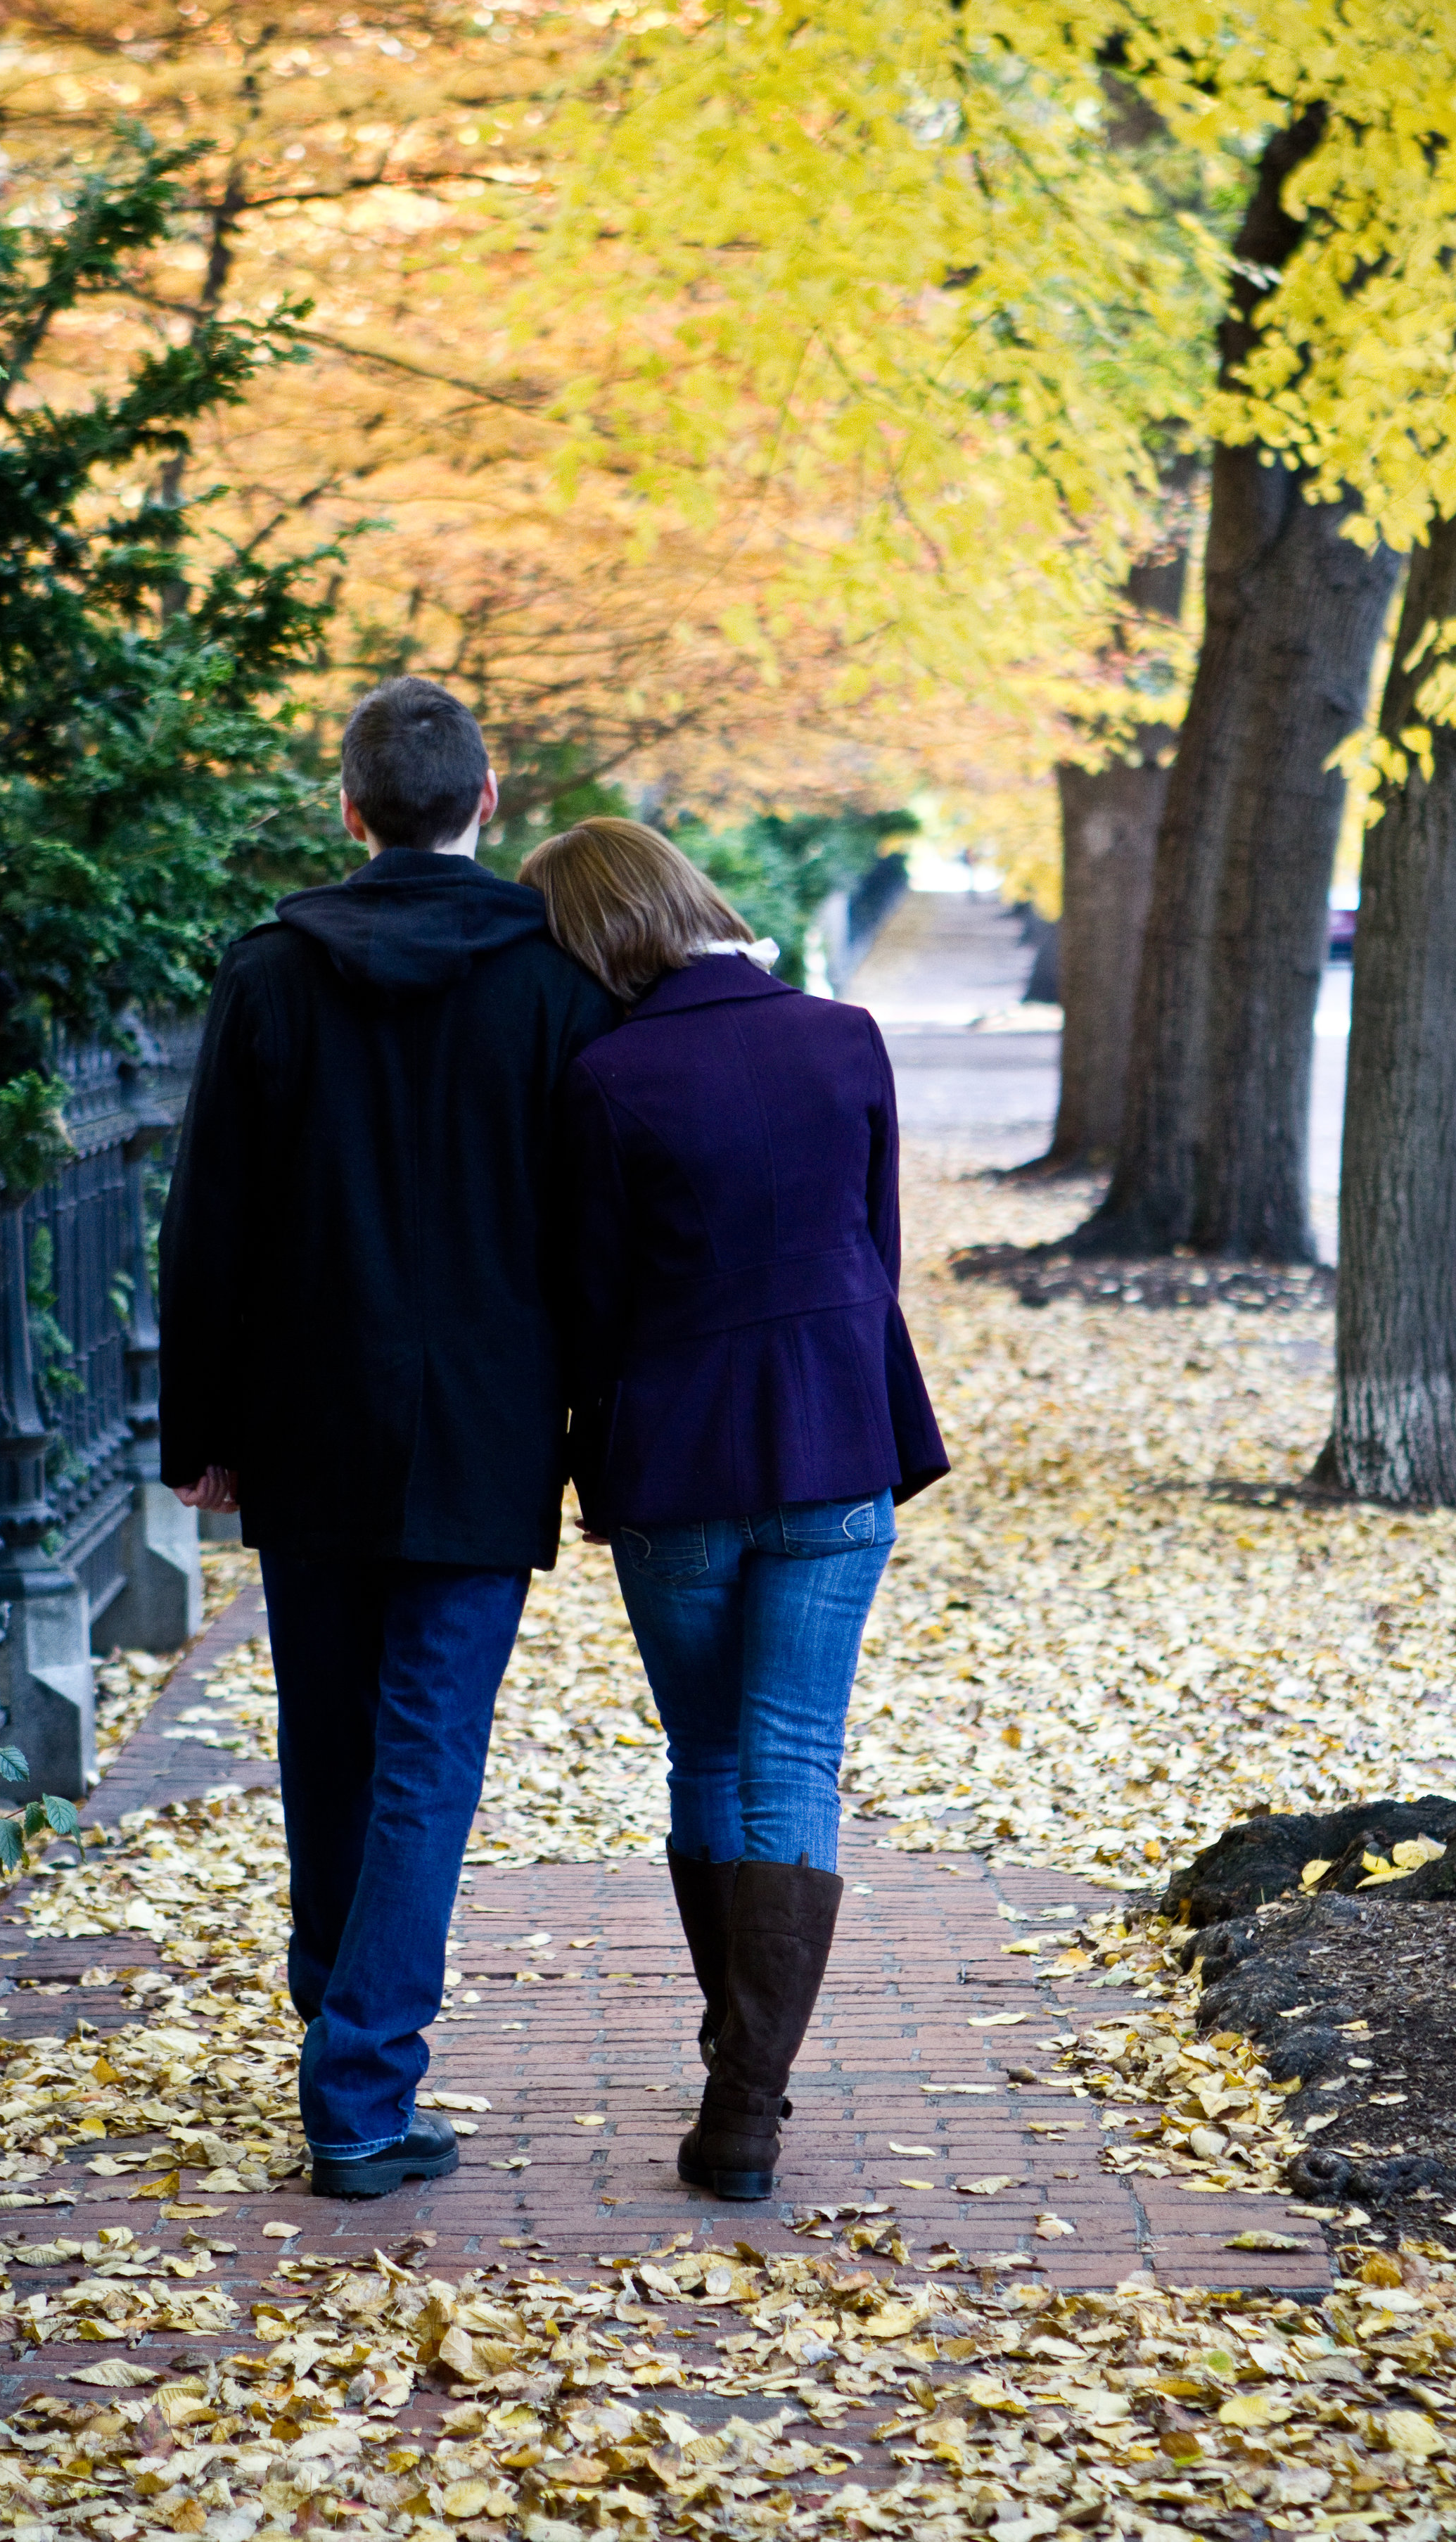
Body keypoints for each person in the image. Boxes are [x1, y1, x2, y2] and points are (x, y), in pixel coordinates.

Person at [159, 678, 615, 2199]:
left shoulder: (271, 976)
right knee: (424, 1754)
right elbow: (592, 1234)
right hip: (484, 1430)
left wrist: (200, 1431)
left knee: (334, 1743)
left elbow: (206, 1222)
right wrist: (597, 1426)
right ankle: (357, 2084)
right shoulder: (555, 985)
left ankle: (341, 2027)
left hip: (308, 1420)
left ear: (348, 809)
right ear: (486, 804)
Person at [520, 817, 947, 2201]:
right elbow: (871, 1247)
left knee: (706, 1753)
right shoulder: (844, 1038)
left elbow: (587, 1302)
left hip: (676, 1459)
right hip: (834, 1438)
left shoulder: (604, 1076)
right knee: (790, 1758)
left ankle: (737, 2060)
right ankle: (744, 2103)